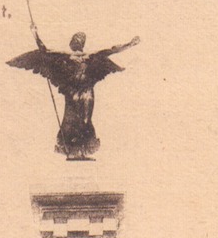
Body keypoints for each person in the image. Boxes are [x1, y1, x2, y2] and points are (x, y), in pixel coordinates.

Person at [7, 29, 140, 159]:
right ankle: (83, 150)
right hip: (88, 93)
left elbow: (43, 51)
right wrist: (130, 44)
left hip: (72, 93)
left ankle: (71, 149)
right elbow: (112, 50)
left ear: (73, 44)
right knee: (86, 121)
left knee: (70, 122)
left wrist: (35, 33)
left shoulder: (65, 56)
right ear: (82, 44)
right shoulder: (91, 57)